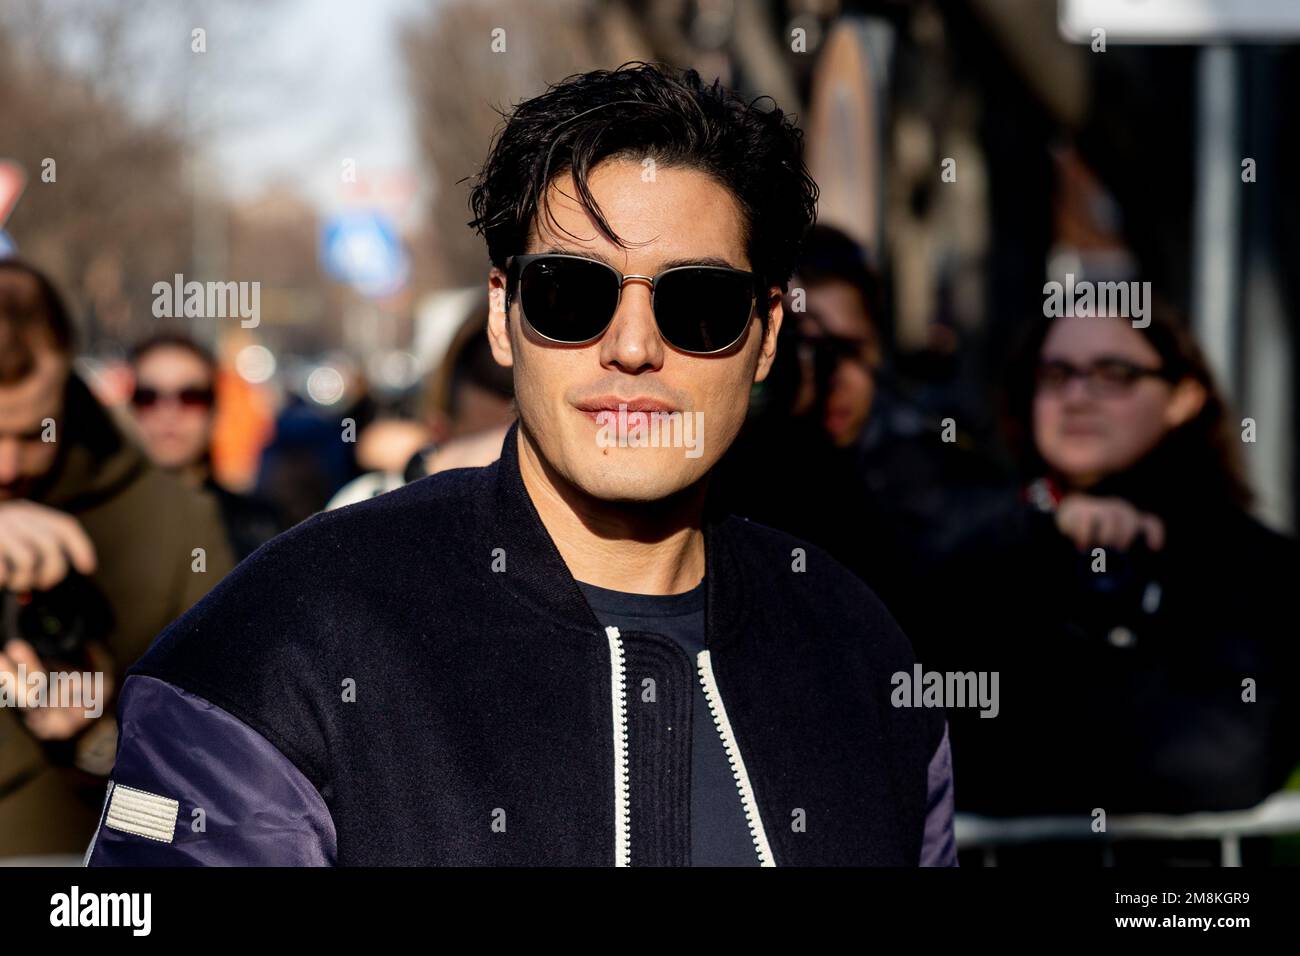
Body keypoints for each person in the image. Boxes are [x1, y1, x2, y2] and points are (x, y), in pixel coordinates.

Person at [85, 62, 955, 867]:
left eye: (699, 304)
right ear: (503, 315)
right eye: (572, 293)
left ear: (764, 336)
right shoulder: (285, 642)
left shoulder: (860, 654)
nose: (634, 346)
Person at [928, 301, 1300, 860]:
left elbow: (1223, 761)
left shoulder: (1255, 563)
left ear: (1183, 397)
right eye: (1056, 375)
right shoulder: (974, 540)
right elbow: (928, 744)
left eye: (1115, 375)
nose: (1077, 396)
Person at [0, 259, 235, 857]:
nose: (5, 467)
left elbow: (214, 818)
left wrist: (95, 738)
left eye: (31, 435)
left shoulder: (175, 525)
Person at [127, 331, 282, 562]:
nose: (169, 413)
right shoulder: (94, 522)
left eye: (190, 397)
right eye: (148, 397)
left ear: (214, 409)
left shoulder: (261, 528)